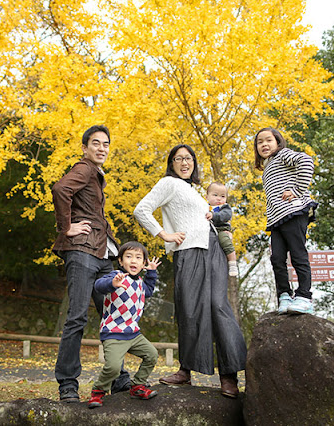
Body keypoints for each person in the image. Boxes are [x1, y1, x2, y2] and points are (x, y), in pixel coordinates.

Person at [133, 144, 247, 398]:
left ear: (194, 163)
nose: (184, 162)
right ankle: (186, 371)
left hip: (214, 249)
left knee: (219, 306)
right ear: (171, 163)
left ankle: (229, 376)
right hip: (188, 252)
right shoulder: (168, 183)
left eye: (188, 158)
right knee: (189, 309)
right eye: (178, 159)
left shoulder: (194, 190)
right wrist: (165, 235)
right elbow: (141, 209)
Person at [51, 124, 130, 403]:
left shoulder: (96, 175)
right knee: (77, 318)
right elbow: (61, 189)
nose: (101, 148)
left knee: (112, 317)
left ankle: (119, 378)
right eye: (95, 143)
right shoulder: (84, 168)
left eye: (106, 144)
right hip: (82, 252)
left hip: (101, 255)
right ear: (85, 148)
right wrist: (66, 227)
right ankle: (68, 385)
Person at [88, 241, 161, 409]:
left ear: (143, 264)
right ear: (120, 261)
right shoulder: (115, 276)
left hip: (133, 333)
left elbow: (148, 291)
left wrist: (151, 273)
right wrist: (113, 284)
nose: (133, 261)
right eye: (128, 257)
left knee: (152, 355)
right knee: (113, 368)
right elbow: (98, 286)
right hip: (113, 332)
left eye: (138, 258)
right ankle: (98, 391)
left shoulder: (141, 283)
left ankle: (137, 386)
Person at [254, 127, 318, 315]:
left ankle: (304, 296)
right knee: (277, 258)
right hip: (276, 219)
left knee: (298, 255)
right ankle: (284, 295)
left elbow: (306, 161)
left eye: (269, 140)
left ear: (278, 142)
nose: (264, 144)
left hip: (294, 212)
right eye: (260, 142)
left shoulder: (283, 155)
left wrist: (297, 190)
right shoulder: (268, 166)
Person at [205, 182, 238, 276]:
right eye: (215, 195)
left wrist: (213, 215)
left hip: (221, 229)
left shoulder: (224, 207)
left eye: (223, 196)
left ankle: (232, 262)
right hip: (209, 231)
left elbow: (225, 215)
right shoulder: (204, 207)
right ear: (207, 196)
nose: (219, 198)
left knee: (224, 240)